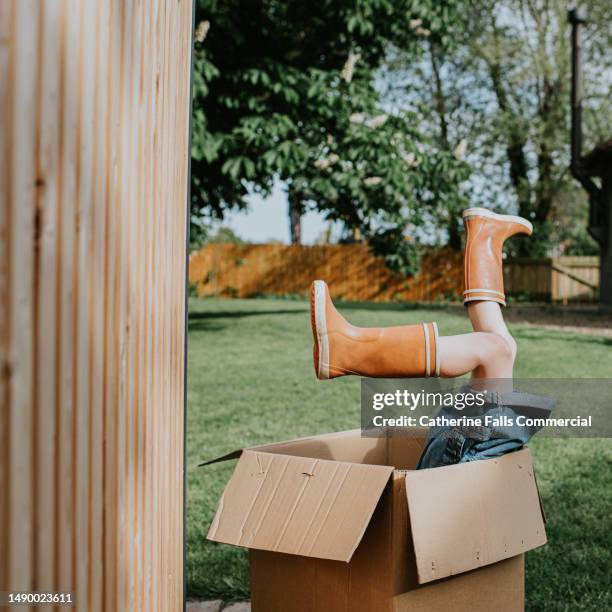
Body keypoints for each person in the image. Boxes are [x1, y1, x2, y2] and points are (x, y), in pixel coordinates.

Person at [310, 208, 531, 385]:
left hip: (482, 439)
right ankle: (486, 235)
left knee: (496, 349)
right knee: (504, 346)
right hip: (486, 430)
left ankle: (348, 349)